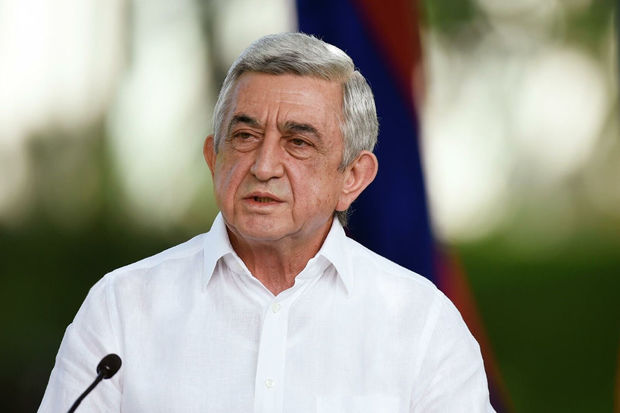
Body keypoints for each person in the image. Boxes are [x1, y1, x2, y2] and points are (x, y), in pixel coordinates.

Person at [39, 32, 495, 412]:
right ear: (213, 158)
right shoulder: (121, 307)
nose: (263, 166)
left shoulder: (422, 323)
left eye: (298, 142)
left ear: (352, 177)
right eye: (244, 136)